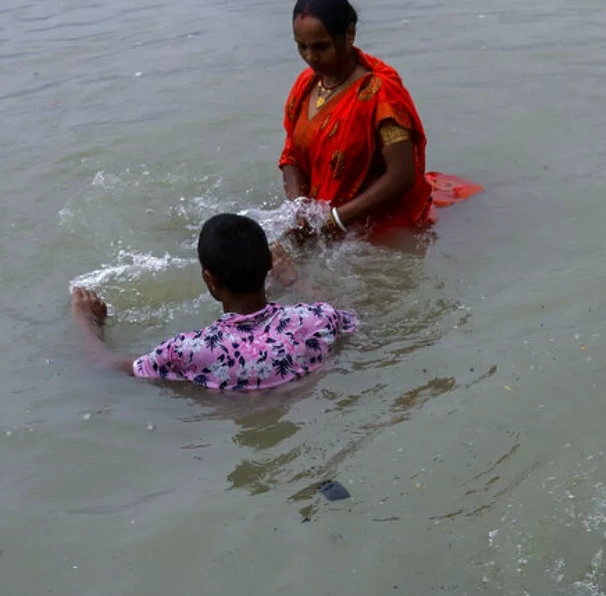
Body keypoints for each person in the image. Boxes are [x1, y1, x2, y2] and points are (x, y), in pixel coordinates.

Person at [71, 213, 357, 391]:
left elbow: (104, 365)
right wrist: (295, 282)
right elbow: (351, 316)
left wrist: (87, 320)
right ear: (270, 264)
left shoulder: (189, 352)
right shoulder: (315, 320)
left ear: (209, 279)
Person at [280, 0, 481, 239]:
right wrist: (299, 208)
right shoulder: (306, 84)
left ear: (349, 34)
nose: (310, 57)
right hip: (322, 221)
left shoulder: (380, 94)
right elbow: (291, 155)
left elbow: (402, 175)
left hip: (374, 226)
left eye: (321, 47)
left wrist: (336, 220)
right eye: (301, 47)